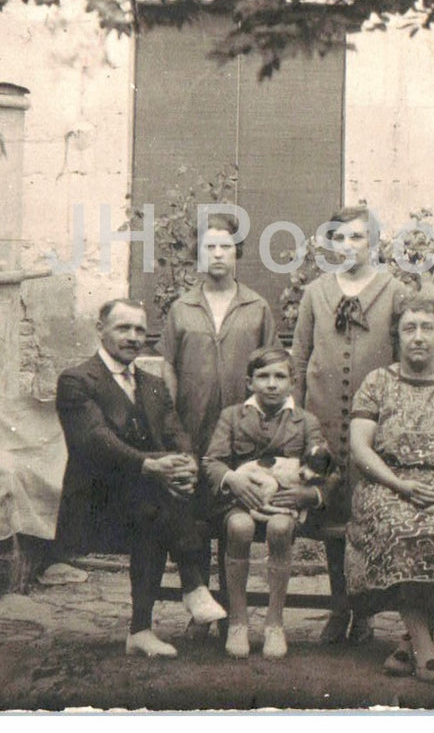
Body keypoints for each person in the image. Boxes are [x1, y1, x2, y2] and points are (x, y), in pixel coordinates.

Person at [54, 298, 228, 657]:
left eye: (139, 329)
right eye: (123, 328)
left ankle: (141, 631)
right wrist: (152, 467)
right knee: (156, 498)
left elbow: (175, 431)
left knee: (163, 500)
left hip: (149, 502)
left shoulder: (151, 384)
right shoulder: (77, 380)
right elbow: (95, 442)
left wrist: (186, 464)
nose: (133, 337)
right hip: (99, 502)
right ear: (99, 329)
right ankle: (193, 586)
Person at [344, 293, 434, 685]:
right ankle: (426, 652)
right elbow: (360, 447)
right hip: (388, 486)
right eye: (409, 328)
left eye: (427, 327)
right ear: (397, 335)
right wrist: (399, 483)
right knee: (403, 531)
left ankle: (409, 639)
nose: (418, 336)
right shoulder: (378, 383)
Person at [290, 204, 406, 645]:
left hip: (375, 427)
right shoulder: (315, 292)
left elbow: (401, 359)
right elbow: (299, 357)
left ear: (373, 243)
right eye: (340, 238)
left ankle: (366, 611)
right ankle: (339, 607)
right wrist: (297, 419)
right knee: (332, 519)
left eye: (358, 238)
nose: (348, 246)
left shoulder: (393, 292)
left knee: (369, 518)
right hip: (323, 422)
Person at [159, 213, 278, 636]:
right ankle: (201, 609)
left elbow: (271, 369)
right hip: (192, 429)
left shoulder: (256, 307)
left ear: (238, 253)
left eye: (225, 246)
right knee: (192, 519)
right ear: (198, 255)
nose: (217, 254)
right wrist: (172, 427)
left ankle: (233, 610)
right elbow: (168, 369)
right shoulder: (182, 308)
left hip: (240, 435)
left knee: (234, 521)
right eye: (209, 247)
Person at [201, 346, 335, 660]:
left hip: (285, 504)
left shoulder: (304, 421)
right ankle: (238, 620)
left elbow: (328, 468)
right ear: (250, 382)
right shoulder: (232, 416)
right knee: (239, 526)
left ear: (293, 382)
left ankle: (275, 622)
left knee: (279, 528)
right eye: (263, 376)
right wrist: (232, 479)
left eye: (279, 376)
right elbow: (212, 461)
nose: (271, 384)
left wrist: (309, 495)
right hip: (240, 499)